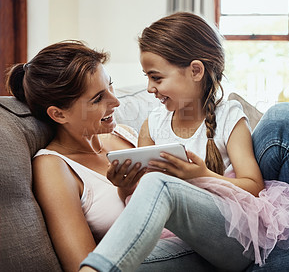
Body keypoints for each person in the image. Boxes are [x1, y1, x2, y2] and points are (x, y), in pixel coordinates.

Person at [79, 12, 289, 272]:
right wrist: (125, 186)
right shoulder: (153, 125)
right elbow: (140, 204)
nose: (149, 88)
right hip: (181, 240)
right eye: (147, 77)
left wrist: (199, 175)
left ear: (196, 71)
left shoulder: (228, 117)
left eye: (156, 77)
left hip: (233, 231)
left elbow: (253, 186)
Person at [5, 41, 215, 272]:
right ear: (59, 114)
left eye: (110, 86)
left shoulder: (123, 134)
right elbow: (82, 264)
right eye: (97, 99)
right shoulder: (54, 167)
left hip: (204, 238)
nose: (115, 102)